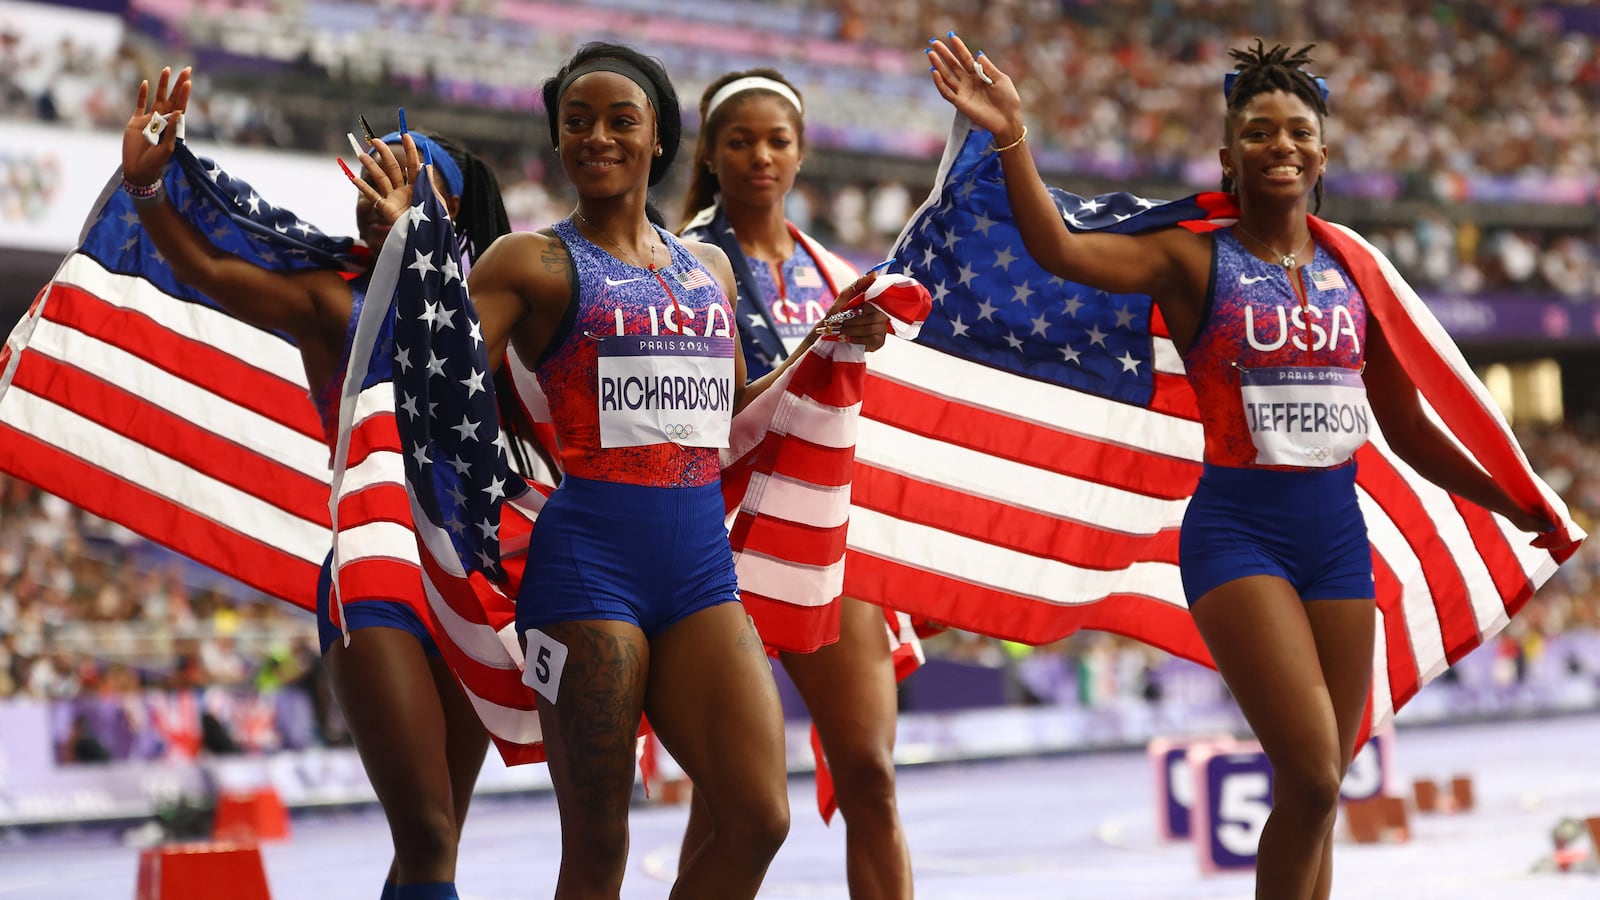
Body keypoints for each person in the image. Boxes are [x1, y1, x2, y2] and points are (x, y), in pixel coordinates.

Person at [925, 36, 1557, 900]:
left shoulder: (1355, 271)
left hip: (1339, 542)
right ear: (1229, 156)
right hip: (1238, 538)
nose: (1281, 146)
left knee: (1323, 789)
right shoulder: (1190, 260)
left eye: (1298, 131)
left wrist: (1512, 500)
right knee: (1312, 777)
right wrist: (1013, 138)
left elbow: (1405, 425)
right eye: (1259, 132)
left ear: (1323, 152)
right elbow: (1063, 254)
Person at [453, 41, 890, 898]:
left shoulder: (710, 269)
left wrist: (823, 343)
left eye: (622, 121)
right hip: (587, 571)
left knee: (761, 817)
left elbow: (729, 416)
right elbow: (439, 380)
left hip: (698, 573)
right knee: (600, 842)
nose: (597, 137)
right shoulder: (528, 263)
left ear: (659, 140)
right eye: (576, 122)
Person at [121, 66, 510, 900]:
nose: (375, 192)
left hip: (471, 576)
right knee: (430, 834)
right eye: (367, 175)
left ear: (448, 206)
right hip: (375, 576)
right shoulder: (333, 299)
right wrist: (148, 186)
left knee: (433, 842)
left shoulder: (496, 304)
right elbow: (207, 269)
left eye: (399, 176)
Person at [677, 67, 912, 900]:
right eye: (739, 141)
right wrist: (819, 341)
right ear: (710, 151)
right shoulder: (685, 262)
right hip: (720, 544)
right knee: (729, 800)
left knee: (872, 778)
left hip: (824, 532)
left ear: (802, 152)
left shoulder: (834, 267)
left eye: (777, 141)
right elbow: (713, 408)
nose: (759, 157)